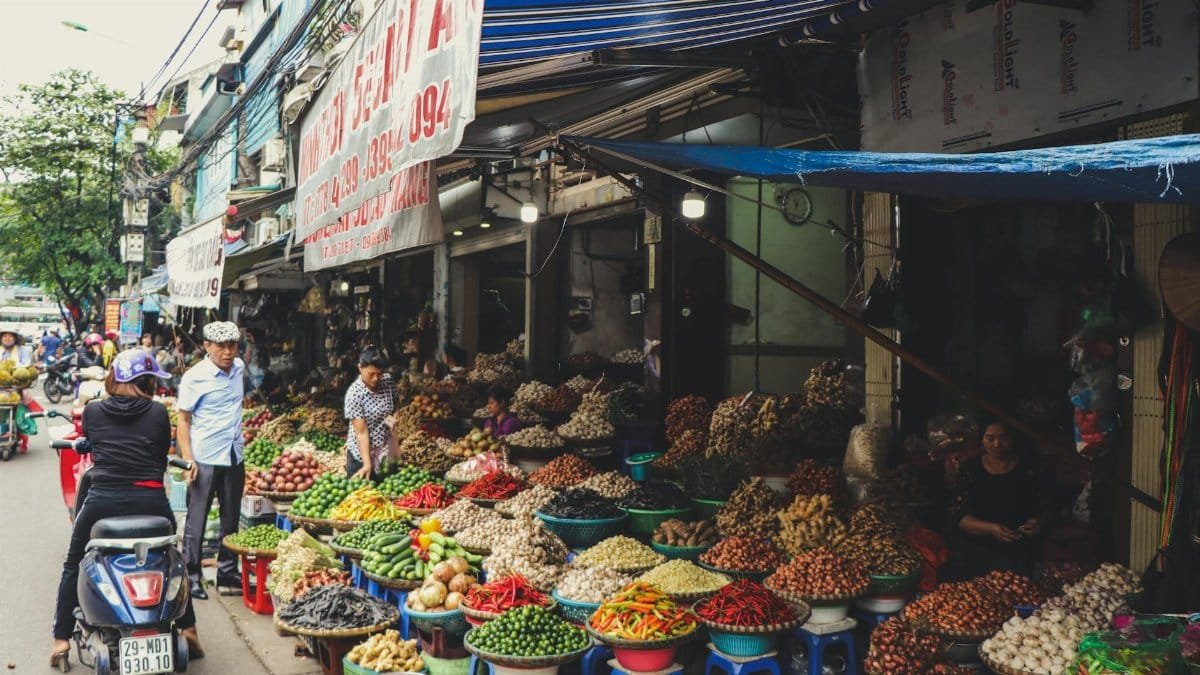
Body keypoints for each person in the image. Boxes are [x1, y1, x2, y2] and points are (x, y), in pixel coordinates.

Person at [49, 349, 204, 667]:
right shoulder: (158, 414)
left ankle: (61, 640)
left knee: (72, 562)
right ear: (146, 381)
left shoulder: (92, 412)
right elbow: (161, 453)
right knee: (174, 558)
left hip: (102, 501)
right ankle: (188, 630)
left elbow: (89, 443)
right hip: (151, 502)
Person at [176, 321, 245, 600]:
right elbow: (183, 420)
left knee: (231, 520)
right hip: (204, 457)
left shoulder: (239, 368)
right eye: (221, 346)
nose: (228, 352)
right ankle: (191, 576)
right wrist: (188, 460)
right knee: (197, 521)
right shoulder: (195, 377)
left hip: (233, 454)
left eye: (232, 346)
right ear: (207, 346)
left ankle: (228, 571)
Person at [946, 420, 1049, 580]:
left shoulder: (1030, 469)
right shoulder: (971, 469)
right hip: (975, 552)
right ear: (982, 439)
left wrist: (1038, 523)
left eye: (1003, 438)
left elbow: (1046, 507)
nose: (997, 444)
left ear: (1013, 439)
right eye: (990, 438)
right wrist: (992, 528)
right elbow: (958, 516)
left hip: (1018, 552)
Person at [344, 346, 399, 479]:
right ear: (360, 368)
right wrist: (367, 464)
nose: (376, 378)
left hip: (384, 452)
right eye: (371, 374)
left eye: (379, 373)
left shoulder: (387, 381)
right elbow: (361, 433)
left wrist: (394, 419)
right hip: (361, 455)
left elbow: (396, 404)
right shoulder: (355, 394)